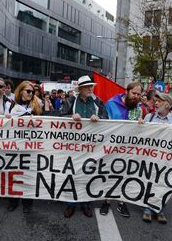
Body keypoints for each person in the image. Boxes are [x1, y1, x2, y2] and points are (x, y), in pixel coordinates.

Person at [60, 75, 108, 218]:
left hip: (92, 147)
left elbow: (107, 119)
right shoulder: (70, 101)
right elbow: (59, 118)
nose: (90, 89)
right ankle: (71, 203)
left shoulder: (98, 102)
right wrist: (70, 117)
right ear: (80, 89)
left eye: (91, 86)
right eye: (87, 86)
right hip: (73, 146)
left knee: (89, 175)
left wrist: (99, 118)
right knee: (72, 175)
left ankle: (86, 203)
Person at [101, 81, 146, 218]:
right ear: (126, 92)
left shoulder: (140, 108)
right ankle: (106, 201)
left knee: (126, 175)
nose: (136, 96)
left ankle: (122, 202)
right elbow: (103, 124)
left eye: (139, 94)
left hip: (130, 149)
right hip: (111, 147)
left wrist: (142, 124)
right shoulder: (111, 104)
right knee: (109, 174)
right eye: (134, 93)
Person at [139, 92, 172, 224]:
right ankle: (147, 208)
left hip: (166, 158)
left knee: (163, 183)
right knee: (149, 181)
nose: (155, 103)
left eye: (159, 101)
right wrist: (139, 125)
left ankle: (160, 208)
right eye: (155, 100)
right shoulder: (149, 117)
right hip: (150, 157)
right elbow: (140, 135)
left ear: (167, 105)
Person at [4, 81, 44, 213]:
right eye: (28, 91)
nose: (31, 94)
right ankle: (13, 200)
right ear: (20, 91)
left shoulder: (37, 106)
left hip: (31, 147)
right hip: (14, 146)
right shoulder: (10, 105)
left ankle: (27, 202)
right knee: (13, 174)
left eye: (32, 92)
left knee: (29, 175)